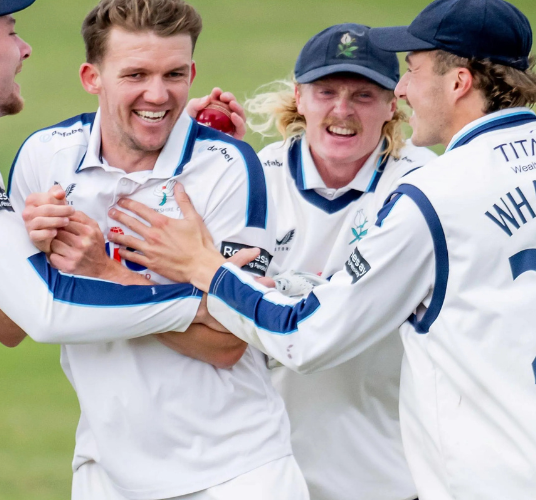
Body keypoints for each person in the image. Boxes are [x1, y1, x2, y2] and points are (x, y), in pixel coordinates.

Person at [99, 0, 536, 497]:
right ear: (301, 96)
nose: (405, 88)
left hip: (488, 479)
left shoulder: (433, 194)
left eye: (412, 71)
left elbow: (308, 335)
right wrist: (208, 164)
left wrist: (207, 268)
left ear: (458, 82)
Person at [0, 0, 222, 493]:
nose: (25, 48)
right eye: (10, 31)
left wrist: (176, 130)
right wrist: (212, 301)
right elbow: (46, 309)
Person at [0, 0, 306, 497]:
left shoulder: (227, 166)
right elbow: (7, 328)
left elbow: (228, 344)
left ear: (192, 73)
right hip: (104, 469)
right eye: (136, 74)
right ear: (92, 77)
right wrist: (31, 252)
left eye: (174, 74)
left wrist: (105, 273)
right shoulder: (44, 156)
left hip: (236, 470)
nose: (158, 95)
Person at [184, 23, 436, 500]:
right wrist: (196, 157)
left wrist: (276, 292)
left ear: (393, 105)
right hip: (264, 472)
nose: (342, 110)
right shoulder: (251, 178)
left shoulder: (426, 188)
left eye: (363, 95)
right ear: (299, 97)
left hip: (389, 473)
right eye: (326, 92)